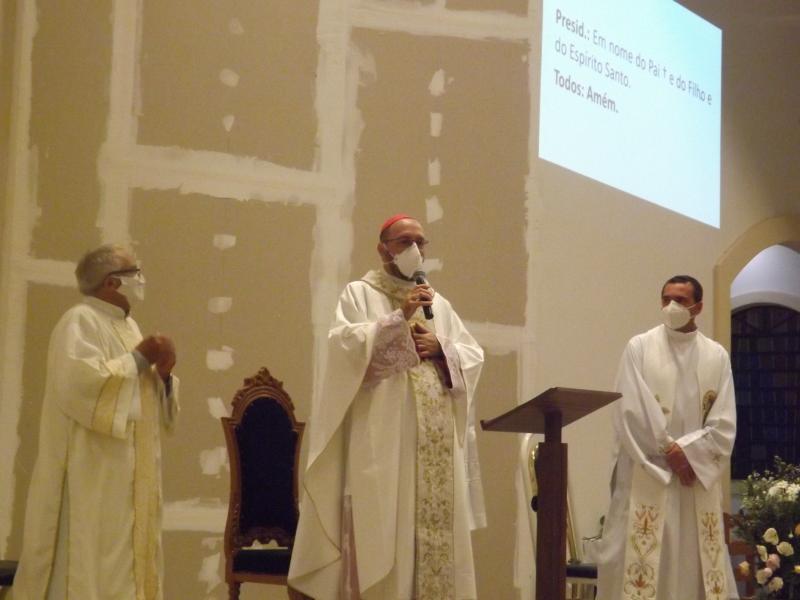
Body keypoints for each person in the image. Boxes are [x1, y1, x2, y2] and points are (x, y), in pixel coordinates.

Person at [288, 214, 486, 599]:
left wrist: (442, 350)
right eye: (403, 241)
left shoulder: (439, 303)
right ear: (383, 249)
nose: (414, 249)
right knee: (387, 544)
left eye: (420, 242)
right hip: (385, 449)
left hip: (434, 452)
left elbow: (472, 354)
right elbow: (347, 353)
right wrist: (401, 318)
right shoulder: (359, 294)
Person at [12, 244, 179, 600]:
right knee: (89, 569)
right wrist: (139, 357)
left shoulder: (129, 326)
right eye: (136, 272)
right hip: (93, 479)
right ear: (112, 284)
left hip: (128, 482)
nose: (142, 279)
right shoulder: (79, 321)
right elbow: (80, 386)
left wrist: (163, 375)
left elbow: (141, 397)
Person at [596, 275, 738, 600]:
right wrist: (669, 449)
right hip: (650, 474)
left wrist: (688, 454)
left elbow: (724, 422)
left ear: (698, 307)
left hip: (693, 481)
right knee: (644, 567)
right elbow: (630, 409)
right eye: (665, 299)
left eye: (680, 300)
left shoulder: (716, 356)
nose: (671, 307)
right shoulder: (640, 347)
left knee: (692, 568)